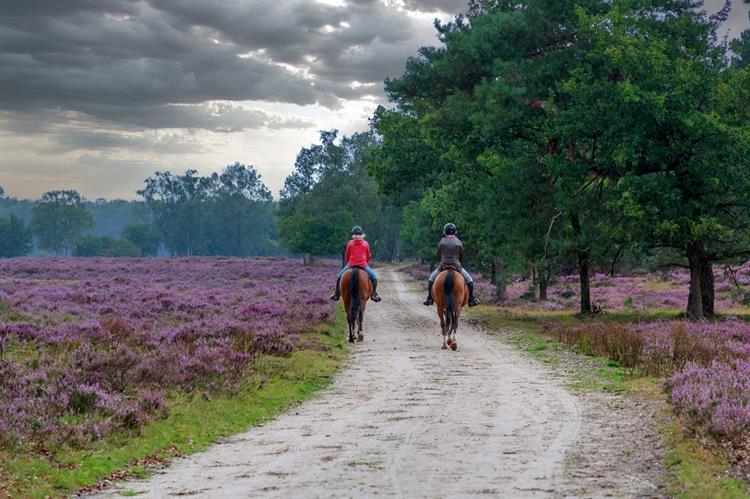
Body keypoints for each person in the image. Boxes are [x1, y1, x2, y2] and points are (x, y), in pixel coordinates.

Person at [423, 223, 480, 307]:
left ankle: (430, 298)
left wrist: (442, 261)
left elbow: (438, 255)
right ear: (455, 232)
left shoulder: (441, 241)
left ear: (444, 231)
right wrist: (458, 262)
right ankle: (471, 299)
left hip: (443, 266)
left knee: (431, 280)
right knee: (470, 281)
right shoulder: (459, 242)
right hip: (456, 266)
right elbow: (462, 256)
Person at [330, 226, 381, 302]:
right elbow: (368, 256)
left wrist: (349, 263)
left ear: (353, 235)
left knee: (339, 276)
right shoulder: (366, 243)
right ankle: (373, 294)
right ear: (362, 234)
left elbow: (347, 255)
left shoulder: (350, 243)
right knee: (374, 278)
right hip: (363, 265)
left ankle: (337, 294)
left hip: (351, 264)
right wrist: (365, 262)